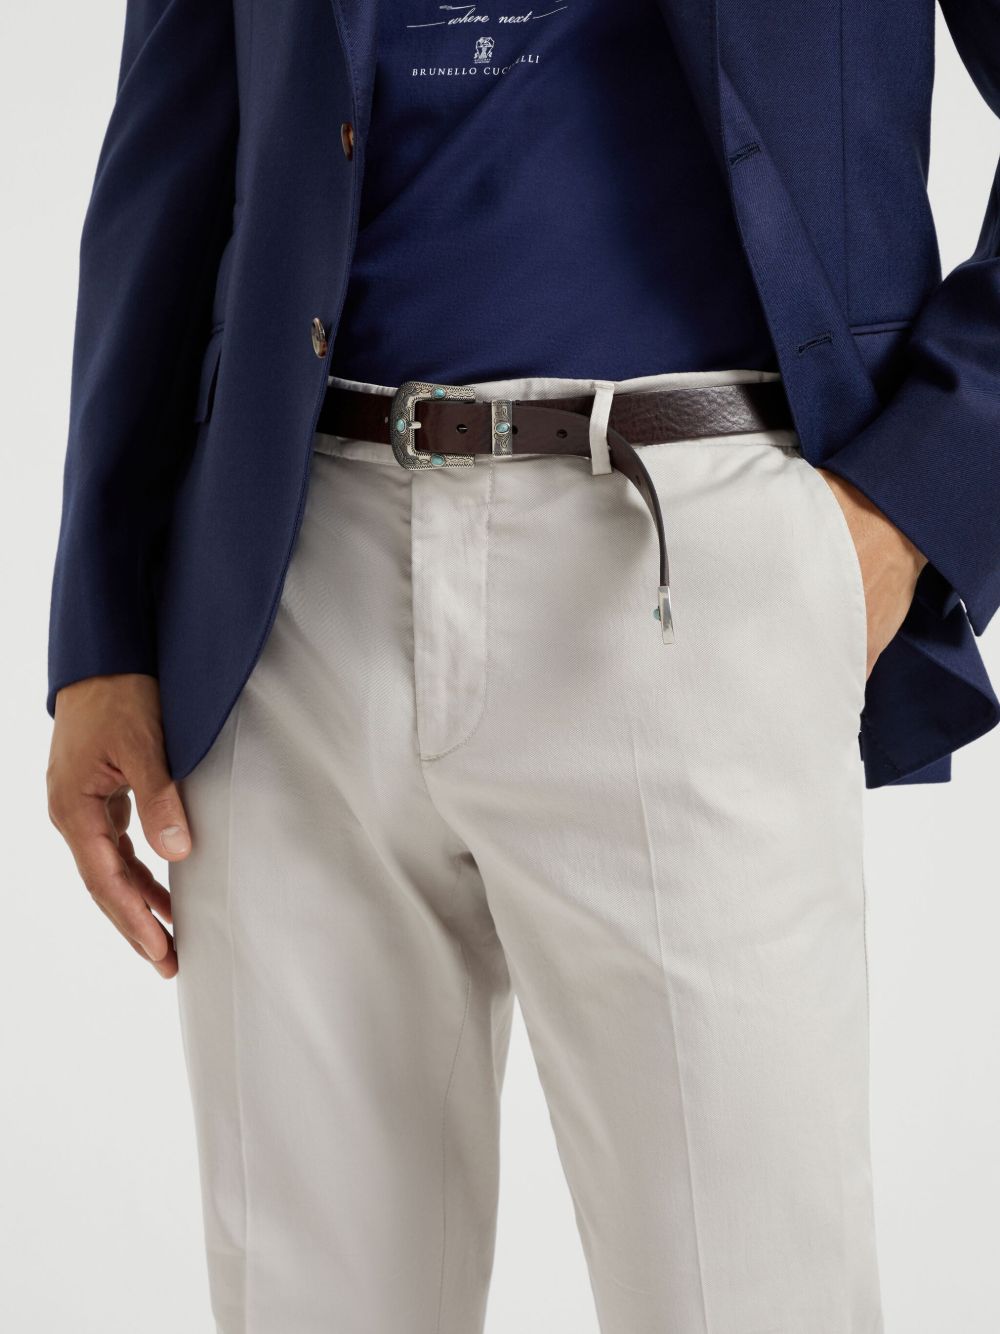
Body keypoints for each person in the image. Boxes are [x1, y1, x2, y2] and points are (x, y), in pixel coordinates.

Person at [44, 1, 1000, 1330]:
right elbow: (170, 141)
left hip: (689, 561)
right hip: (286, 588)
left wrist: (913, 505)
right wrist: (100, 629)